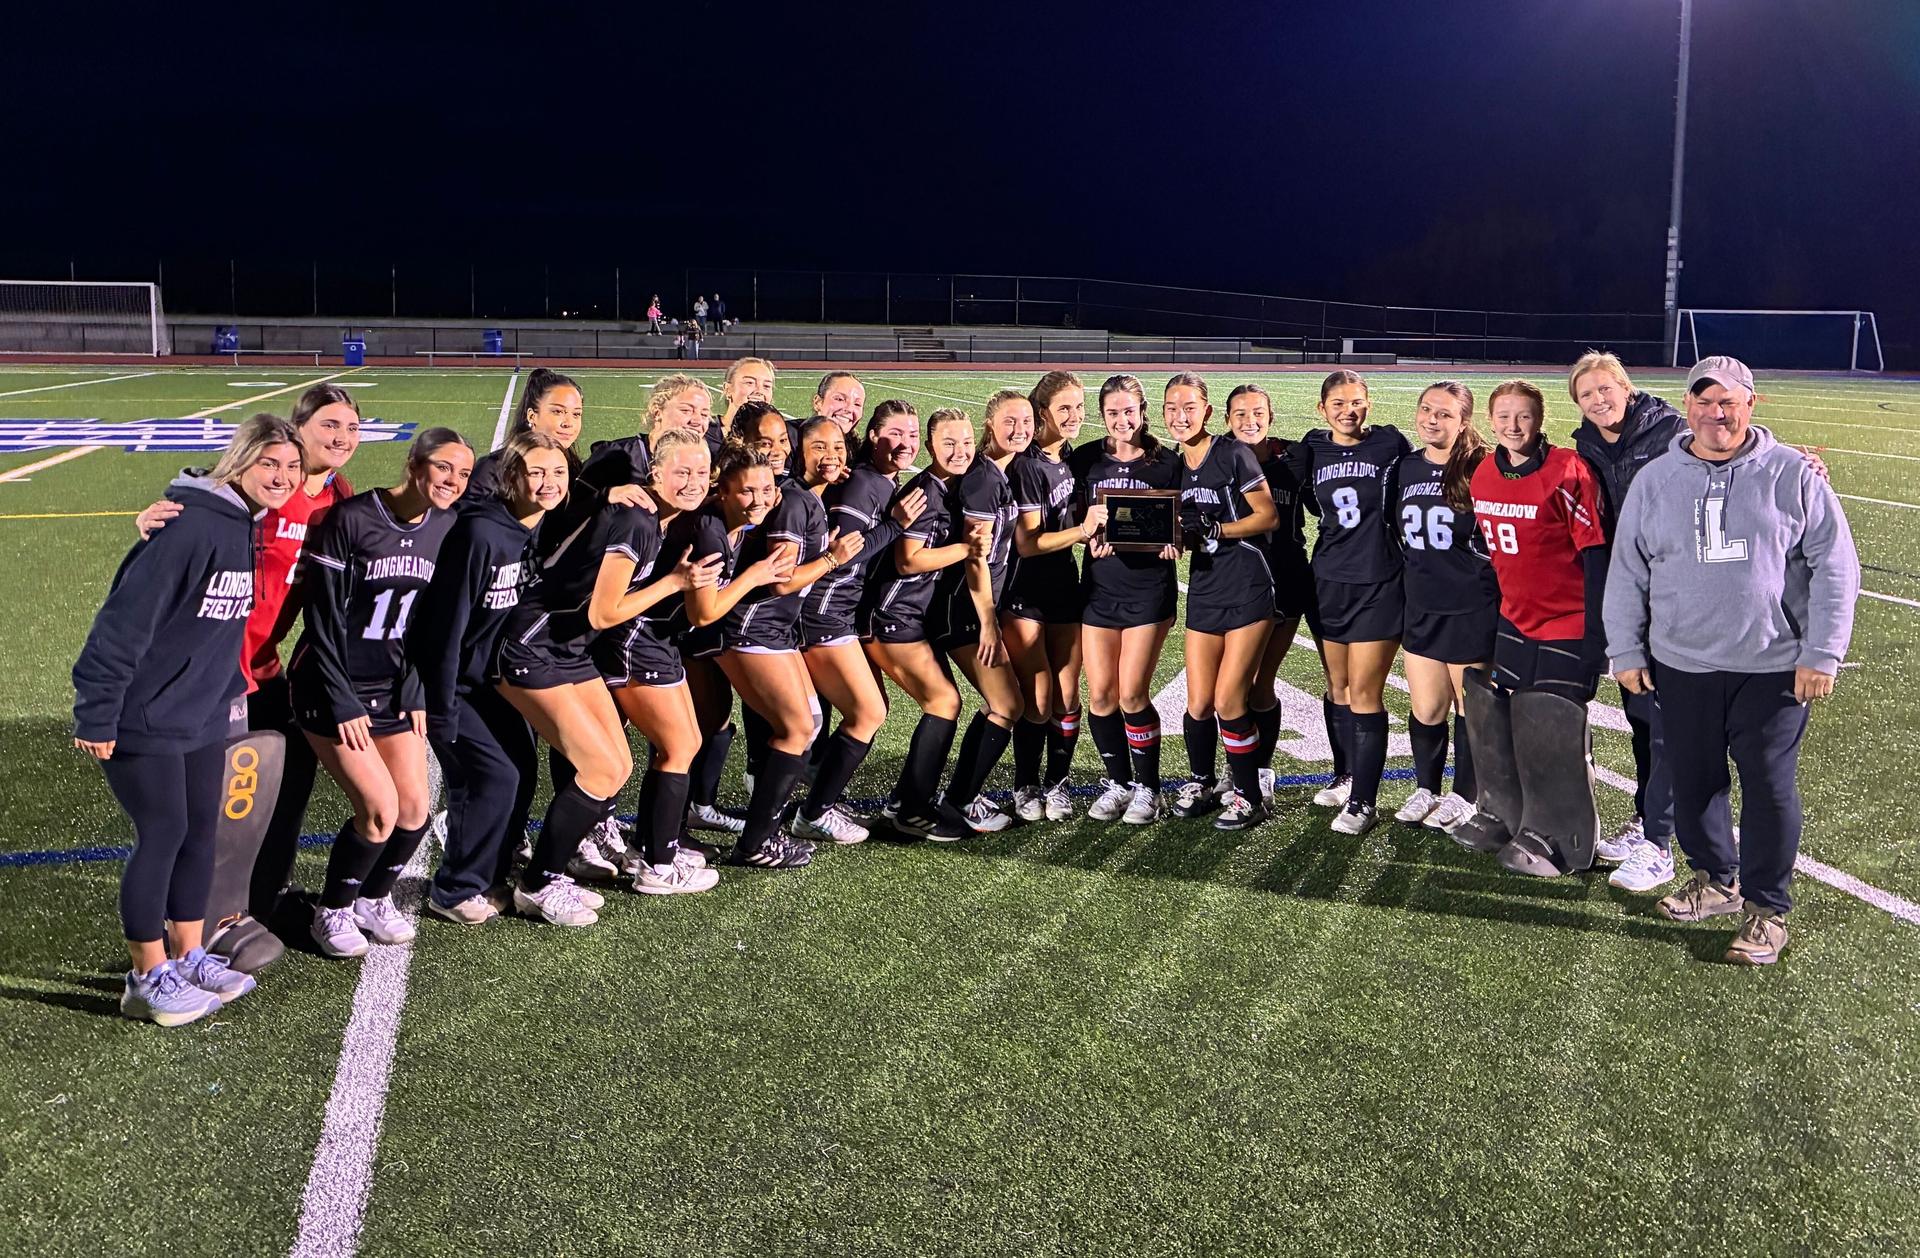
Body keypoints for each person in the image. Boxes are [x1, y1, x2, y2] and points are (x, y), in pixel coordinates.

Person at [1606, 356, 1858, 965]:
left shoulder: (1792, 472)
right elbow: (1627, 570)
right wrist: (1626, 647)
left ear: (1752, 404)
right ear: (1686, 406)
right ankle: (1717, 879)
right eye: (1705, 400)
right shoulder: (1656, 480)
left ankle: (1768, 909)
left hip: (1771, 667)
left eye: (1730, 401)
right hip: (1681, 661)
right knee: (1693, 781)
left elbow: (1835, 565)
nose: (1717, 412)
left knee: (1769, 787)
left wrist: (1823, 651)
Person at [75, 414, 302, 1025]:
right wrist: (97, 712)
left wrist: (227, 688)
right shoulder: (191, 525)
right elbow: (121, 626)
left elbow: (216, 625)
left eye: (290, 467)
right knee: (165, 835)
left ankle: (189, 954)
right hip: (145, 713)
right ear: (240, 461)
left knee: (201, 833)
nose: (281, 477)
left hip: (201, 711)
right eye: (269, 464)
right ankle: (146, 978)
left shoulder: (244, 526)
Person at [132, 383, 363, 967]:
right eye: (329, 426)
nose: (341, 439)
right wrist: (159, 514)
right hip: (215, 672)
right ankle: (187, 931)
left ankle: (257, 904)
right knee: (208, 808)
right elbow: (203, 502)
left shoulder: (339, 496)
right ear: (297, 427)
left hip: (266, 667)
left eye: (351, 428)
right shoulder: (261, 488)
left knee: (284, 788)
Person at [292, 428, 474, 956]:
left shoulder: (447, 526)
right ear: (414, 463)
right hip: (331, 683)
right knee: (378, 810)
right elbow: (321, 622)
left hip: (391, 687)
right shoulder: (353, 520)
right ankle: (332, 911)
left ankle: (373, 897)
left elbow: (429, 623)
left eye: (462, 473)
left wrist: (414, 687)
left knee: (415, 809)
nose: (453, 481)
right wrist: (341, 699)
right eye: (443, 467)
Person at [1454, 380, 1608, 878]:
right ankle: (1512, 814)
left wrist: (1599, 631)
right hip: (1515, 617)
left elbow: (1594, 551)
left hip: (1567, 619)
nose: (1513, 426)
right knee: (1515, 721)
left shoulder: (1567, 468)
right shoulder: (1482, 473)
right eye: (1504, 416)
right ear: (1491, 420)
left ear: (1539, 420)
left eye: (1523, 416)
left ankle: (1563, 833)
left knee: (1556, 726)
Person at [411, 431, 568, 923]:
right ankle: (454, 888)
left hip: (495, 682)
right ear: (510, 477)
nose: (549, 482)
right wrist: (441, 705)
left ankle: (489, 870)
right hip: (458, 684)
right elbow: (446, 624)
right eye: (536, 472)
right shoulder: (480, 532)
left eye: (558, 472)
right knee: (493, 776)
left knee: (520, 768)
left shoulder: (540, 526)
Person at [580, 428, 724, 892]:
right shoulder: (638, 521)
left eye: (701, 472)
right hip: (627, 643)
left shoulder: (663, 519)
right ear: (654, 474)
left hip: (650, 641)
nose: (693, 481)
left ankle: (652, 847)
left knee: (684, 744)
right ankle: (657, 866)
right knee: (677, 747)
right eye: (681, 472)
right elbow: (602, 612)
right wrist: (673, 584)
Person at [1283, 370, 1411, 836]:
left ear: (1369, 404)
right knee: (1337, 687)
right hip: (1328, 581)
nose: (1347, 410)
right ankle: (1345, 776)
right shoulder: (1310, 448)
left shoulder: (1390, 445)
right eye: (1337, 403)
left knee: (1364, 692)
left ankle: (1364, 802)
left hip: (1379, 580)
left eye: (1356, 402)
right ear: (1322, 409)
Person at [862, 408, 991, 839]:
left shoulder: (949, 488)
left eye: (967, 442)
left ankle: (906, 801)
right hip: (893, 617)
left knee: (945, 702)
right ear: (932, 446)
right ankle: (910, 809)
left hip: (912, 616)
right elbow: (908, 560)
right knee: (943, 702)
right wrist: (967, 548)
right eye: (949, 443)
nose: (960, 452)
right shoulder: (926, 493)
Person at [683, 440, 810, 866]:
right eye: (746, 491)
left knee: (701, 730)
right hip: (655, 640)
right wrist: (756, 575)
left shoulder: (741, 525)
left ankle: (678, 830)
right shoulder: (712, 531)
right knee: (677, 741)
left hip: (685, 639)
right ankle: (753, 843)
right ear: (722, 492)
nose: (758, 500)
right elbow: (704, 614)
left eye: (765, 490)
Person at [1165, 373, 1279, 830]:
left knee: (1231, 701)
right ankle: (1203, 782)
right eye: (1172, 407)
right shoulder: (1173, 466)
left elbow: (1266, 514)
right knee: (1198, 704)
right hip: (1206, 588)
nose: (1180, 416)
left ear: (1207, 412)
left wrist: (1217, 530)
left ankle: (1250, 797)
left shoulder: (1232, 453)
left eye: (1189, 407)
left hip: (1249, 585)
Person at [1071, 374, 1181, 825]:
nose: (1122, 419)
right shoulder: (1084, 459)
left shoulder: (1167, 463)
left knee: (1132, 693)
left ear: (1142, 412)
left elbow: (1184, 515)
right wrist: (1086, 537)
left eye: (1129, 411)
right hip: (1099, 586)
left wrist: (1178, 539)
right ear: (1102, 415)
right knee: (1100, 696)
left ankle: (1149, 790)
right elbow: (1075, 518)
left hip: (1149, 589)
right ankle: (1118, 782)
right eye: (1112, 412)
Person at [1392, 382, 1495, 833]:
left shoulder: (1481, 467)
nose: (1433, 419)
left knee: (1470, 709)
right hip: (1421, 602)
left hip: (1469, 604)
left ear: (1464, 421)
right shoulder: (1406, 466)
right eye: (1427, 410)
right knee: (1427, 707)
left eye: (1446, 414)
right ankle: (1426, 788)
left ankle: (1466, 796)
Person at [928, 390, 1031, 832]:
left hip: (974, 607)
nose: (1020, 430)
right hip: (965, 610)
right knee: (1007, 704)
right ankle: (954, 808)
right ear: (990, 425)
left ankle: (951, 798)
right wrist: (988, 621)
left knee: (1002, 703)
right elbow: (975, 556)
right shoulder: (985, 479)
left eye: (1027, 421)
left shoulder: (999, 472)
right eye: (1010, 422)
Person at [1003, 371, 1102, 822]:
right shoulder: (1026, 465)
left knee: (1066, 696)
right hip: (1025, 590)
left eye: (1079, 408)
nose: (1074, 416)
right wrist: (1081, 531)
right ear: (1042, 411)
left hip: (1065, 585)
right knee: (1038, 699)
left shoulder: (1067, 461)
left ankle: (1056, 785)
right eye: (1064, 408)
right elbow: (1027, 542)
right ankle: (1025, 785)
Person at [1225, 382, 1315, 805]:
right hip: (1234, 583)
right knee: (1229, 687)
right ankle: (1234, 768)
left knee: (1260, 683)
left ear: (1271, 416)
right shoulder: (1217, 456)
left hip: (1286, 578)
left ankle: (1260, 771)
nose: (1250, 421)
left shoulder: (1296, 456)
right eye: (1240, 414)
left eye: (1257, 413)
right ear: (1226, 420)